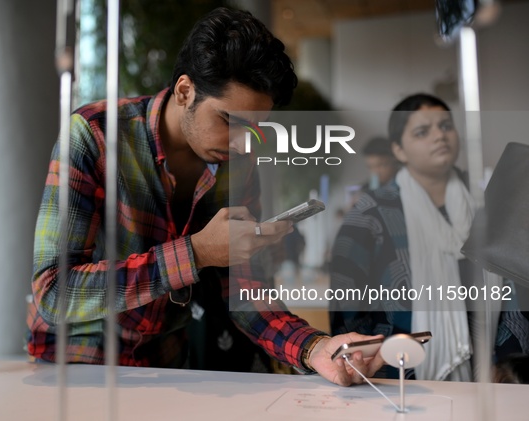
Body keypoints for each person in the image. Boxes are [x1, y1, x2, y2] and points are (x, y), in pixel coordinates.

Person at [27, 7, 383, 387]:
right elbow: (53, 292)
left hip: (166, 366)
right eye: (229, 121)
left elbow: (244, 292)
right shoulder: (95, 136)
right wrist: (196, 252)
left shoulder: (238, 163)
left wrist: (315, 349)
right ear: (185, 91)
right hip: (75, 367)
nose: (243, 143)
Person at [328, 93, 528, 381]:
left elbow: (515, 291)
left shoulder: (489, 204)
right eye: (423, 132)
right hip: (397, 376)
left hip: (491, 375)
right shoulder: (371, 213)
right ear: (399, 150)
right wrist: (365, 366)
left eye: (446, 126)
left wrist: (507, 363)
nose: (440, 136)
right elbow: (346, 303)